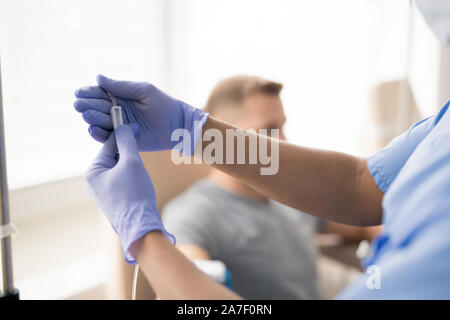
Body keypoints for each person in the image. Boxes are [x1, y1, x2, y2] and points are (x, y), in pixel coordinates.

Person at [160, 75, 377, 299]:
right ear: (221, 140)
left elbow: (365, 221)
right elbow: (183, 288)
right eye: (268, 130)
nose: (283, 142)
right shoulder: (194, 213)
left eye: (282, 128)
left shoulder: (293, 196)